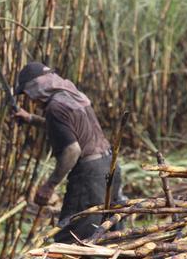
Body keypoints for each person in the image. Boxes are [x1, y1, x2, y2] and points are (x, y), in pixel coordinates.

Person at [13, 62, 123, 242]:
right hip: (110, 166)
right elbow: (66, 128)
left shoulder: (55, 108)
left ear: (37, 89)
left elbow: (72, 150)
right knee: (110, 234)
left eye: (28, 94)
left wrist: (49, 185)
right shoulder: (73, 97)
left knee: (73, 238)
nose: (31, 101)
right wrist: (31, 119)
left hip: (90, 177)